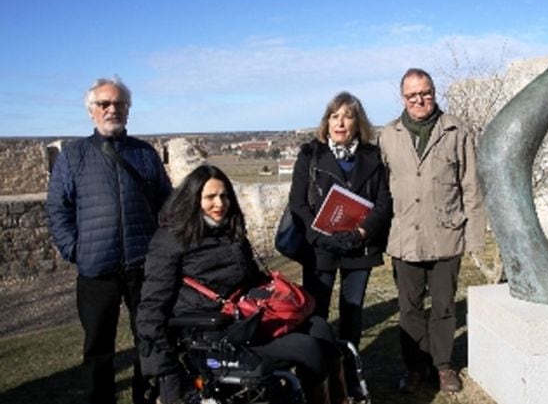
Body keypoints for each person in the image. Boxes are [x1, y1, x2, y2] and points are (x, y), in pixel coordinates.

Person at [137, 165, 347, 404]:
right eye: (210, 197)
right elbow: (151, 309)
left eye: (225, 196)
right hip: (212, 333)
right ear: (192, 199)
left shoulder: (230, 230)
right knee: (308, 349)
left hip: (245, 318)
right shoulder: (171, 240)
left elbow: (251, 278)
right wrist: (166, 372)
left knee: (322, 329)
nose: (220, 203)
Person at [46, 77, 172, 404]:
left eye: (119, 104)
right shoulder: (73, 156)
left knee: (149, 338)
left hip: (143, 266)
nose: (112, 109)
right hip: (96, 268)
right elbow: (58, 208)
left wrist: (162, 247)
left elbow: (166, 203)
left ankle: (146, 397)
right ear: (92, 111)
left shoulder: (145, 154)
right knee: (98, 348)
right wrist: (74, 249)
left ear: (128, 110)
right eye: (104, 104)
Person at [378, 68, 486, 394]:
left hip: (446, 235)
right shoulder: (387, 136)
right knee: (409, 309)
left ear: (434, 92)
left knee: (443, 307)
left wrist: (475, 237)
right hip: (404, 238)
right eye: (412, 95)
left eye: (425, 93)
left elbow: (472, 185)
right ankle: (416, 368)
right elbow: (381, 189)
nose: (420, 100)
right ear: (403, 98)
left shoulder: (456, 130)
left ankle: (442, 367)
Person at [289, 91, 392, 398]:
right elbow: (298, 202)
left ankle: (348, 375)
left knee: (352, 312)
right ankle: (317, 375)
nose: (341, 122)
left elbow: (384, 204)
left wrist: (361, 233)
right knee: (316, 313)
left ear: (357, 122)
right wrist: (319, 235)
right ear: (327, 121)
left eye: (347, 116)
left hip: (359, 248)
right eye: (335, 116)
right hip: (321, 248)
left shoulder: (373, 156)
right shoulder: (311, 154)